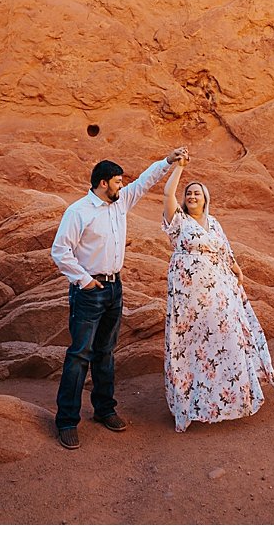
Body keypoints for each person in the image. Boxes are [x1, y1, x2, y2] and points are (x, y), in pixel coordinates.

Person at [49, 147, 186, 449]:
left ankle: (105, 410)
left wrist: (168, 161)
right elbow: (60, 251)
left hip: (114, 288)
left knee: (106, 352)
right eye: (117, 182)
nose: (122, 186)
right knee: (79, 354)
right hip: (90, 291)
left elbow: (145, 182)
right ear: (102, 184)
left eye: (122, 182)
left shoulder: (120, 203)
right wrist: (84, 281)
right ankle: (67, 421)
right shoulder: (78, 212)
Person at [160, 152, 274, 432]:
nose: (192, 196)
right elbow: (167, 193)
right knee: (191, 345)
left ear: (206, 199)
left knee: (228, 339)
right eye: (189, 193)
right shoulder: (179, 222)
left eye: (197, 193)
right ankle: (193, 404)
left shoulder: (214, 224)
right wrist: (179, 167)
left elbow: (225, 249)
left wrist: (236, 268)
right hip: (188, 297)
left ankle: (234, 399)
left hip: (219, 290)